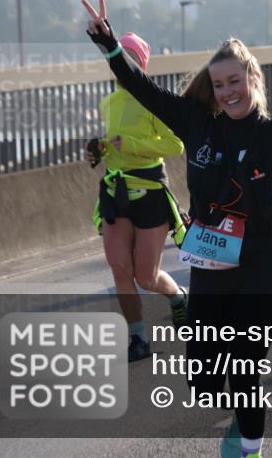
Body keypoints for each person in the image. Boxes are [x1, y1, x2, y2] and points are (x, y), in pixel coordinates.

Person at [83, 0, 272, 458]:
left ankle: (250, 447)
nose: (228, 91)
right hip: (213, 263)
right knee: (205, 381)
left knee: (245, 364)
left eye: (235, 81)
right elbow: (141, 87)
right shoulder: (198, 125)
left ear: (253, 78)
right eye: (219, 85)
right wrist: (109, 44)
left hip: (264, 263)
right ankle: (240, 414)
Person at [86, 32, 188, 362]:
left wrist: (132, 145)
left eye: (130, 58)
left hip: (151, 193)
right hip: (115, 192)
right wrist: (99, 152)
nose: (122, 64)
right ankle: (138, 339)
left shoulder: (153, 99)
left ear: (140, 65)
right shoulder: (108, 103)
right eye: (119, 58)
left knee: (146, 277)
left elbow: (176, 145)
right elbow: (114, 147)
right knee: (120, 269)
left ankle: (178, 297)